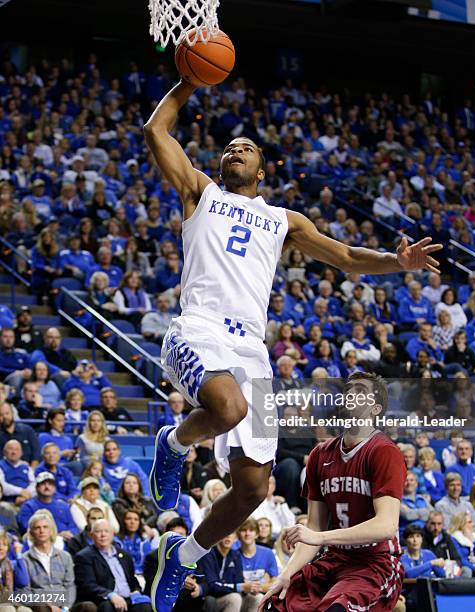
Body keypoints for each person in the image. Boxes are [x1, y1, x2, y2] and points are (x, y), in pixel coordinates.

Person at [144, 77, 441, 611]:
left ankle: (183, 557)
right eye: (229, 148)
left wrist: (398, 262)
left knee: (255, 489)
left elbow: (347, 257)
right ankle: (173, 444)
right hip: (199, 328)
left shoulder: (283, 220)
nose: (234, 149)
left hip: (252, 351)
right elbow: (156, 129)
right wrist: (189, 82)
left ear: (262, 171)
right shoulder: (200, 193)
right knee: (227, 408)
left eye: (247, 149)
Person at [260, 372, 407, 612]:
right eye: (349, 390)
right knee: (275, 604)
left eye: (360, 391)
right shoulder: (320, 454)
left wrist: (320, 538)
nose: (351, 394)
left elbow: (386, 526)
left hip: (375, 563)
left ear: (375, 409)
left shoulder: (384, 451)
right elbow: (315, 527)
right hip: (335, 559)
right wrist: (286, 573)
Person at [74, 518, 152, 612]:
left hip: (128, 598)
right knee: (107, 607)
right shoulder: (84, 557)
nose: (103, 535)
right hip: (104, 599)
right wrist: (110, 595)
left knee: (145, 606)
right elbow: (87, 585)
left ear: (113, 534)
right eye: (98, 531)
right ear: (91, 535)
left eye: (106, 531)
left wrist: (136, 591)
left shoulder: (124, 555)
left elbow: (132, 581)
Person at [23, 510, 77, 607]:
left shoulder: (65, 556)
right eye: (37, 528)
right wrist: (47, 605)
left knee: (87, 606)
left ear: (51, 530)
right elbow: (25, 591)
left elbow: (70, 586)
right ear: (31, 533)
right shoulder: (24, 560)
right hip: (40, 606)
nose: (42, 531)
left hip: (64, 606)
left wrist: (65, 608)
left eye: (45, 527)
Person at [17, 472, 79, 539]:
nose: (47, 487)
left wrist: (70, 532)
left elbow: (74, 527)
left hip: (66, 540)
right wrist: (57, 535)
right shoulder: (28, 506)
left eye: (50, 484)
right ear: (37, 488)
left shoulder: (64, 506)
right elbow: (28, 528)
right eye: (43, 484)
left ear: (55, 488)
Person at [237, 517, 278, 611]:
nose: (247, 534)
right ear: (238, 534)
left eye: (251, 530)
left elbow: (275, 582)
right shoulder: (233, 555)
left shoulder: (268, 553)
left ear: (256, 534)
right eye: (243, 530)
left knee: (259, 597)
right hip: (240, 596)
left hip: (260, 596)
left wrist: (258, 588)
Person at [447, 511, 475, 576]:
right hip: (469, 569)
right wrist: (474, 568)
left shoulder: (473, 537)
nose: (473, 524)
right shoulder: (453, 539)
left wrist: (474, 540)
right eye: (469, 522)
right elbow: (460, 559)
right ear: (461, 525)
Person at [422, 510, 465, 575]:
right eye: (433, 524)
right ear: (427, 523)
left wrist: (450, 563)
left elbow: (458, 559)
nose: (436, 527)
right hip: (429, 571)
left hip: (446, 569)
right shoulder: (420, 537)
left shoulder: (446, 537)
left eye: (439, 524)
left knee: (466, 570)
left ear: (443, 525)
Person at [0, 439, 35, 506]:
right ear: (4, 452)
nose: (14, 452)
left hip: (26, 500)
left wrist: (24, 496)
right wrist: (20, 492)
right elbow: (2, 487)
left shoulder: (26, 466)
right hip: (7, 502)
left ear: (21, 453)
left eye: (17, 449)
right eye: (11, 449)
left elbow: (34, 484)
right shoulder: (1, 466)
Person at [117, 510, 152, 575]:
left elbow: (149, 564)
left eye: (136, 519)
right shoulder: (116, 542)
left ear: (139, 523)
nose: (132, 522)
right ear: (123, 522)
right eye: (129, 519)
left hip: (142, 576)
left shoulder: (144, 542)